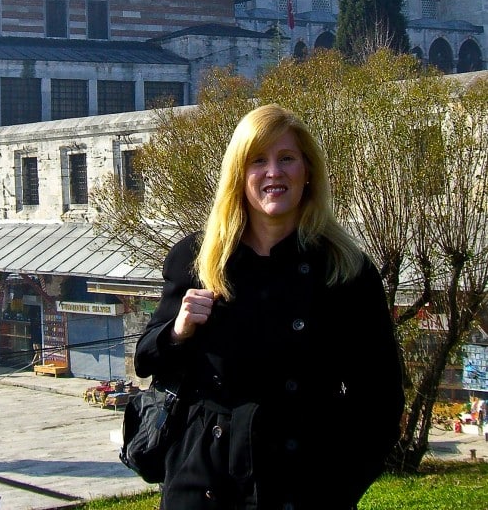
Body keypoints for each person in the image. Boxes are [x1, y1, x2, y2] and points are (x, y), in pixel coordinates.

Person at [134, 103, 405, 510]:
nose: (273, 173)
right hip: (204, 479)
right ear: (238, 176)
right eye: (257, 160)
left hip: (305, 480)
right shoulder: (198, 256)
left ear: (309, 171)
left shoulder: (344, 268)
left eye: (287, 159)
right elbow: (146, 359)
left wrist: (341, 486)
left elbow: (382, 398)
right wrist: (178, 331)